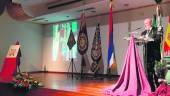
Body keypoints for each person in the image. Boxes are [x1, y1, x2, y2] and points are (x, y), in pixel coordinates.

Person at [140, 18, 161, 91]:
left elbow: (158, 40)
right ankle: (152, 89)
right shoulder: (143, 33)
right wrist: (138, 40)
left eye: (147, 23)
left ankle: (158, 88)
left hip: (155, 55)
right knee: (149, 73)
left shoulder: (156, 30)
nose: (145, 25)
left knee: (156, 73)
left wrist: (149, 39)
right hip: (147, 56)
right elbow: (140, 43)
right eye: (145, 23)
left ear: (151, 23)